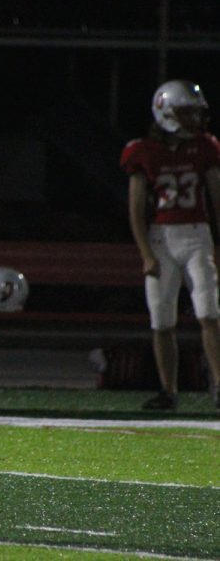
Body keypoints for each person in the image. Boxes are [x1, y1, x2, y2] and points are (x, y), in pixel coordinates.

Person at [122, 78, 220, 410]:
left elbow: (217, 197)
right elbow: (136, 207)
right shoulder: (143, 152)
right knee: (162, 321)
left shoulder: (205, 147)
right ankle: (169, 391)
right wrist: (145, 253)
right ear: (166, 112)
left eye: (195, 112)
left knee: (209, 314)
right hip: (161, 238)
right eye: (186, 112)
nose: (194, 119)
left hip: (196, 235)